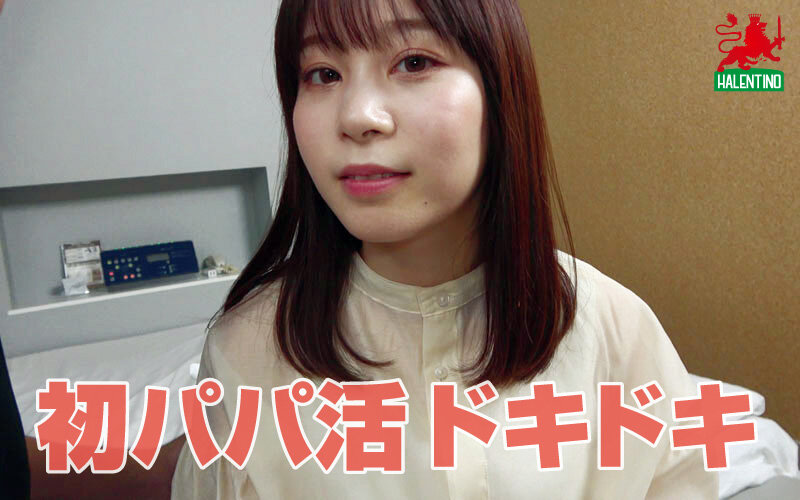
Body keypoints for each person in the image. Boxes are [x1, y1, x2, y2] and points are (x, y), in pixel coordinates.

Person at [171, 0, 719, 498]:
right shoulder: (245, 351)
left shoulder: (617, 330)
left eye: (414, 62)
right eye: (323, 74)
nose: (357, 116)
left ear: (499, 89)